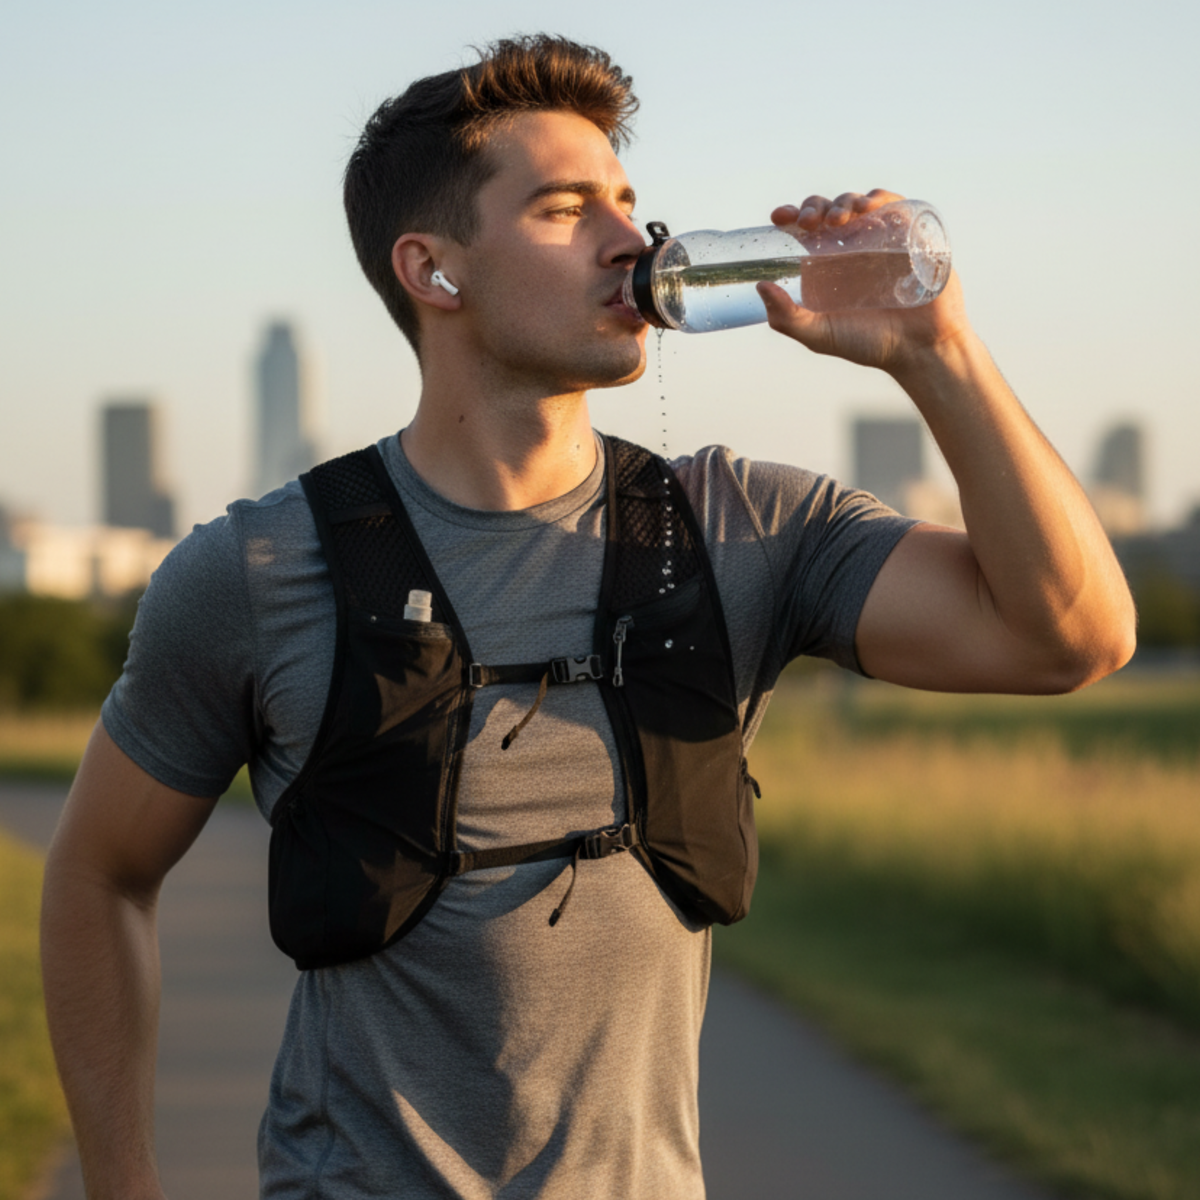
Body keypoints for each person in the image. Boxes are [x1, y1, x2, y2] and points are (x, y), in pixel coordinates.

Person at [41, 33, 1135, 1200]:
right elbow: (99, 874)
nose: (635, 240)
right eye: (568, 208)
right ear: (434, 270)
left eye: (630, 202)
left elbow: (1070, 636)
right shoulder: (259, 567)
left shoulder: (742, 527)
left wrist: (939, 350)